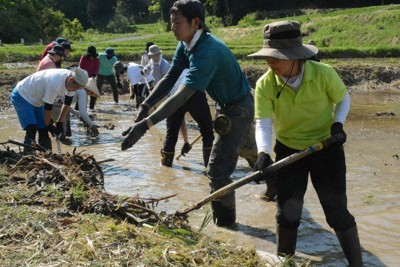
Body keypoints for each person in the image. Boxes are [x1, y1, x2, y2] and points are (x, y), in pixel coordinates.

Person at [121, 0, 253, 228]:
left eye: (177, 22)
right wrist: (145, 105)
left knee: (218, 171)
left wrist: (145, 124)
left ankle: (227, 226)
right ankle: (272, 180)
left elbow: (182, 95)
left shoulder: (207, 52)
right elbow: (170, 77)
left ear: (195, 22)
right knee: (249, 151)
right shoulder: (186, 44)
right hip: (225, 106)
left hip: (239, 108)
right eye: (171, 22)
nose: (172, 27)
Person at [248, 20, 362, 266]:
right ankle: (284, 261)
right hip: (289, 149)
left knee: (336, 213)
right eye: (268, 58)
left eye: (276, 57)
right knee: (288, 213)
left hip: (326, 147)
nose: (271, 63)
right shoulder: (265, 84)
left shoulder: (324, 73)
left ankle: (357, 264)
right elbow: (264, 123)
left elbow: (343, 99)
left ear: (295, 56)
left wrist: (338, 124)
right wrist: (264, 153)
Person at [10, 68, 88, 152]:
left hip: (38, 101)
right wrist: (49, 125)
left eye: (78, 89)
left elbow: (67, 103)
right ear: (71, 80)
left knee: (43, 130)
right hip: (22, 95)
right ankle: (28, 155)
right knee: (31, 128)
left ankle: (47, 155)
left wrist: (59, 122)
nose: (75, 90)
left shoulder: (73, 83)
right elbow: (48, 107)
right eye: (76, 88)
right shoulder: (55, 83)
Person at [79, 45, 100, 111]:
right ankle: (78, 109)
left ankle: (91, 108)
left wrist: (93, 75)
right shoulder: (84, 58)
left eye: (93, 56)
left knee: (93, 94)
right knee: (81, 93)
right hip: (83, 77)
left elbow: (97, 69)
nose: (91, 58)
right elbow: (81, 67)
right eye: (90, 56)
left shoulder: (97, 60)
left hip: (92, 78)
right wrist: (84, 75)